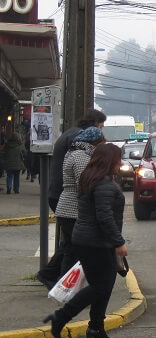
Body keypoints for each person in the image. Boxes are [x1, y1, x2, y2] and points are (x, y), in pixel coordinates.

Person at [43, 143, 127, 338]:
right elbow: (104, 217)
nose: (121, 163)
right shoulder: (103, 184)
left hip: (90, 240)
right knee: (100, 287)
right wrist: (119, 242)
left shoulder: (92, 179)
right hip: (95, 242)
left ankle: (96, 327)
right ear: (110, 161)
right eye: (118, 159)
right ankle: (60, 317)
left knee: (104, 286)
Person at [36, 110, 106, 289]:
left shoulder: (72, 135)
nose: (102, 129)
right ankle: (62, 281)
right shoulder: (79, 145)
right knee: (74, 245)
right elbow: (81, 180)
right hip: (68, 198)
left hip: (62, 195)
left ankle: (50, 274)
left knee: (71, 243)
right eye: (101, 125)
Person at [52, 127, 106, 280]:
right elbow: (84, 184)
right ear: (94, 141)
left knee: (71, 249)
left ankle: (63, 283)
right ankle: (67, 285)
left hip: (69, 209)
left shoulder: (78, 152)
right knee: (76, 251)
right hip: (72, 210)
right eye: (101, 141)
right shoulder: (81, 155)